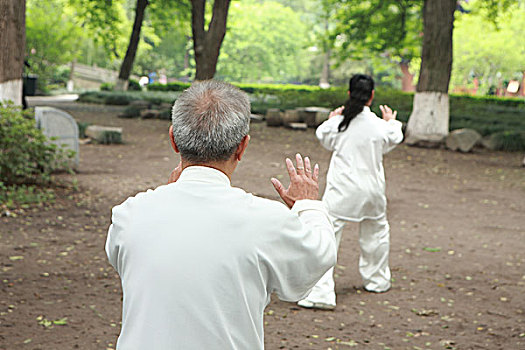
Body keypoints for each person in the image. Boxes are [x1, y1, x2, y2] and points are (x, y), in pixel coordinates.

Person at [105, 80, 337, 349]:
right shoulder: (265, 220)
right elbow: (318, 258)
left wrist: (169, 194)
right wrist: (308, 205)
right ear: (242, 146)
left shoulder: (129, 215)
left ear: (173, 139)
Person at [297, 74, 403, 310]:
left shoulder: (339, 124)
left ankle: (321, 294)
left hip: (342, 190)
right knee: (376, 234)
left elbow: (323, 137)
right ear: (372, 96)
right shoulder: (380, 126)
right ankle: (378, 281)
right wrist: (391, 121)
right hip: (373, 191)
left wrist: (332, 118)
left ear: (348, 94)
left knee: (326, 236)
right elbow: (395, 137)